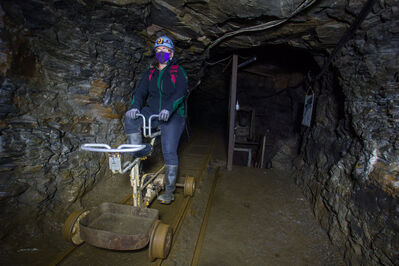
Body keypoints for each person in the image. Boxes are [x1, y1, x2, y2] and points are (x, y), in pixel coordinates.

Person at [125, 36, 188, 204]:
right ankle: (137, 150)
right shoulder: (150, 73)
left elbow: (181, 92)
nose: (162, 53)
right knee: (130, 119)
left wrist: (169, 108)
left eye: (165, 51)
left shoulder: (177, 71)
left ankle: (169, 191)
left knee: (169, 151)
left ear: (171, 53)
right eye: (159, 51)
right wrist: (135, 107)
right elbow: (140, 92)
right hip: (152, 112)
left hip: (173, 115)